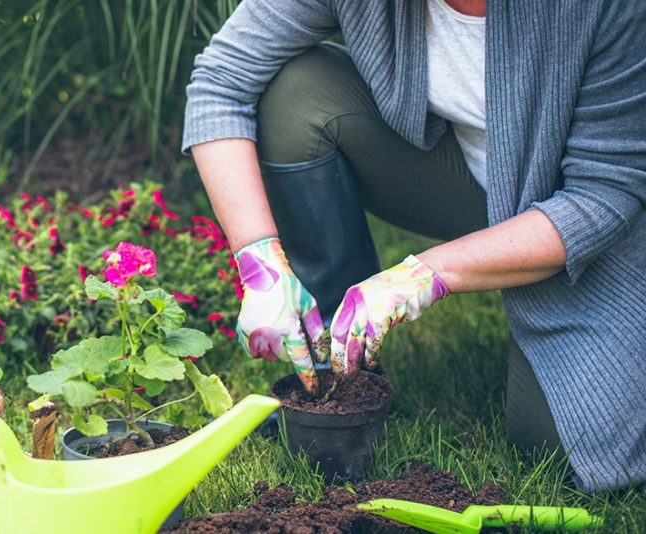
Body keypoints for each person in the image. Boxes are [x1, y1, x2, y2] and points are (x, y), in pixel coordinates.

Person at [182, 0, 645, 492]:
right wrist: (259, 261)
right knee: (297, 95)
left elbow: (606, 193)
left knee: (569, 446)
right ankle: (340, 367)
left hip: (582, 212)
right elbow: (221, 79)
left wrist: (428, 273)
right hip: (465, 176)